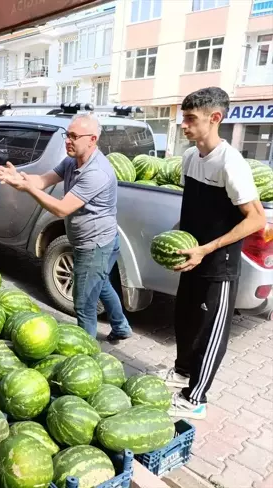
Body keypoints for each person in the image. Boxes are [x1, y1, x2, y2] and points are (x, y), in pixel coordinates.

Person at [155, 87, 265, 420]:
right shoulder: (190, 157)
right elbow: (195, 208)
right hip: (192, 257)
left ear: (214, 118)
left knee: (209, 329)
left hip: (218, 263)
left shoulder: (231, 164)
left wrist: (207, 248)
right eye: (183, 118)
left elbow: (257, 218)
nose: (183, 126)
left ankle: (197, 398)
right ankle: (182, 373)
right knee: (185, 321)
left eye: (190, 119)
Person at [0, 113, 132, 341]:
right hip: (100, 240)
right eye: (67, 135)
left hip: (95, 245)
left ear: (92, 139)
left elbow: (61, 209)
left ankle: (86, 355)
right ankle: (121, 328)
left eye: (74, 136)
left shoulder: (96, 172)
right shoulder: (71, 161)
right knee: (102, 283)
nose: (68, 140)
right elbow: (43, 181)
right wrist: (20, 179)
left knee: (84, 304)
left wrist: (28, 189)